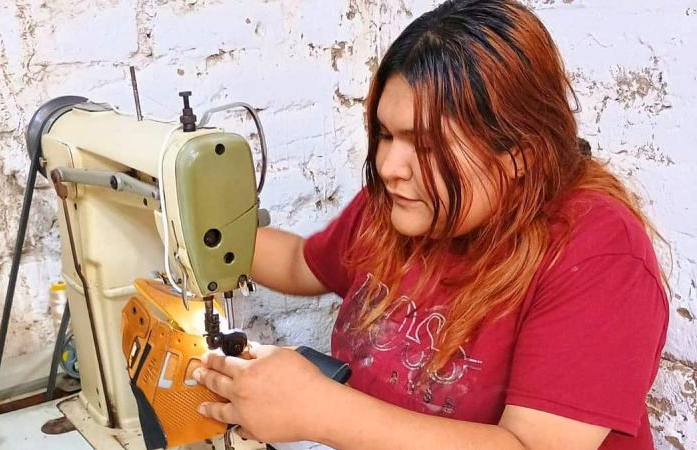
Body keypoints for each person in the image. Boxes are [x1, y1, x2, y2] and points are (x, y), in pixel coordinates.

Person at [192, 1, 669, 449]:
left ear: (518, 154)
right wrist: (196, 232)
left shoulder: (599, 255)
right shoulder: (406, 205)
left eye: (425, 146)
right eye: (385, 134)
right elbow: (301, 263)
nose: (388, 166)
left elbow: (529, 445)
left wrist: (317, 409)